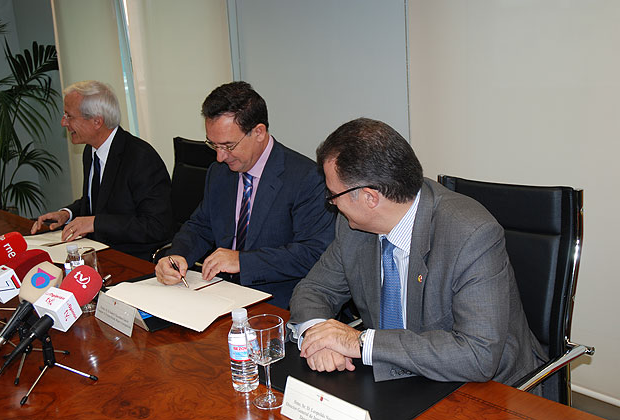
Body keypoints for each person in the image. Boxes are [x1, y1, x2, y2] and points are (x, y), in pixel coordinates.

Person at [289, 118, 546, 386]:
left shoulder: (471, 235)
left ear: (370, 197)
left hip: (482, 388)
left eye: (333, 195)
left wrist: (361, 342)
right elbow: (314, 289)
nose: (331, 204)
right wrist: (320, 338)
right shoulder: (353, 227)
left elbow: (477, 355)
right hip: (393, 382)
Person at [155, 81, 335, 308]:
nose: (220, 157)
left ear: (258, 132)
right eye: (214, 145)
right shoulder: (219, 173)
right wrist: (176, 256)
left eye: (228, 145)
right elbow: (201, 225)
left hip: (277, 302)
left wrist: (243, 261)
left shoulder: (306, 178)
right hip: (218, 293)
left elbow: (313, 253)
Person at [31, 80, 172, 261]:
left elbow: (156, 226)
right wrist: (68, 214)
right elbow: (99, 201)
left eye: (69, 116)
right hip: (99, 251)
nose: (63, 122)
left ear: (97, 121)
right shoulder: (90, 150)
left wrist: (95, 223)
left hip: (133, 258)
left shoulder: (140, 158)